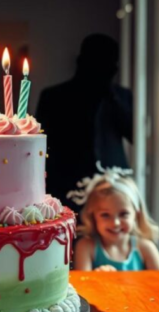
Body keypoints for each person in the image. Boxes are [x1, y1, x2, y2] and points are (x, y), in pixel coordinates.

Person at [37, 34, 133, 213]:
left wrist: (111, 95)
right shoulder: (54, 97)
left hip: (113, 183)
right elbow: (42, 147)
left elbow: (135, 135)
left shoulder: (121, 97)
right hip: (66, 184)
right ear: (82, 62)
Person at [68, 162, 159, 271]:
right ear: (93, 216)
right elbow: (82, 285)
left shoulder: (145, 248)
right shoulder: (86, 247)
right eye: (105, 215)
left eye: (123, 214)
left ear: (136, 215)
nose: (116, 223)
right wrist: (97, 278)